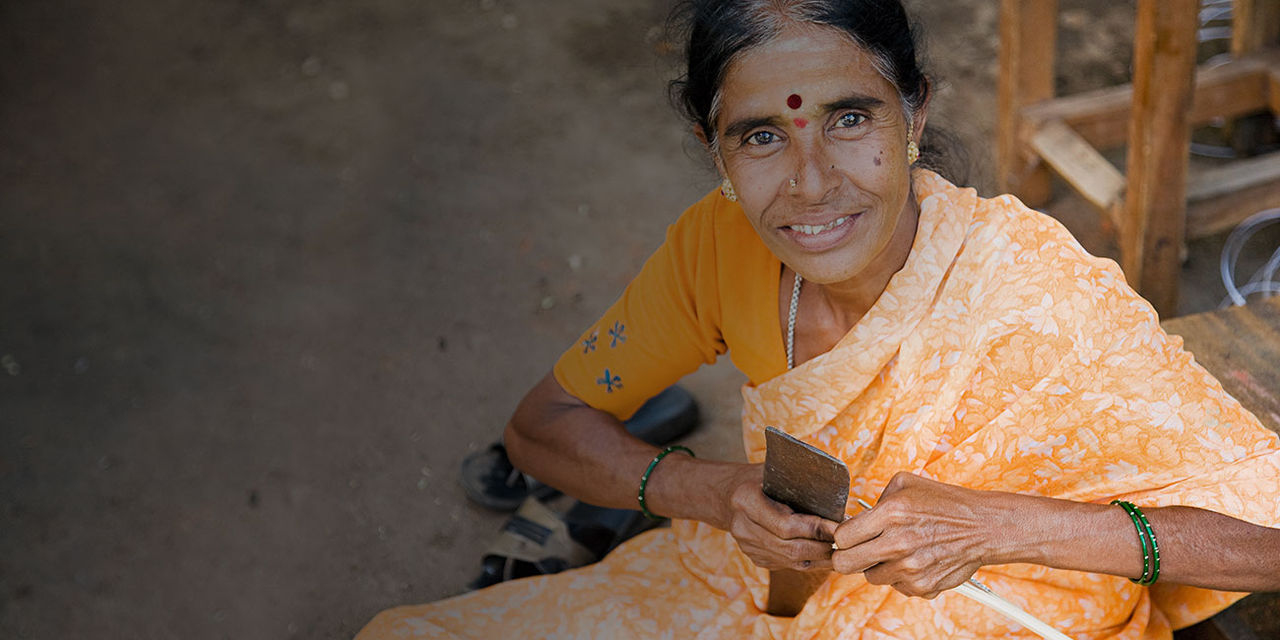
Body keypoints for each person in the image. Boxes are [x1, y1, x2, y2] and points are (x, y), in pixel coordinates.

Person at [359, 1, 1280, 637]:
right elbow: (539, 431)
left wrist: (999, 527)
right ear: (712, 150)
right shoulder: (717, 248)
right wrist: (714, 494)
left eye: (850, 119)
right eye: (761, 135)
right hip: (772, 595)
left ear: (913, 113)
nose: (810, 183)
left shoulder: (1037, 297)